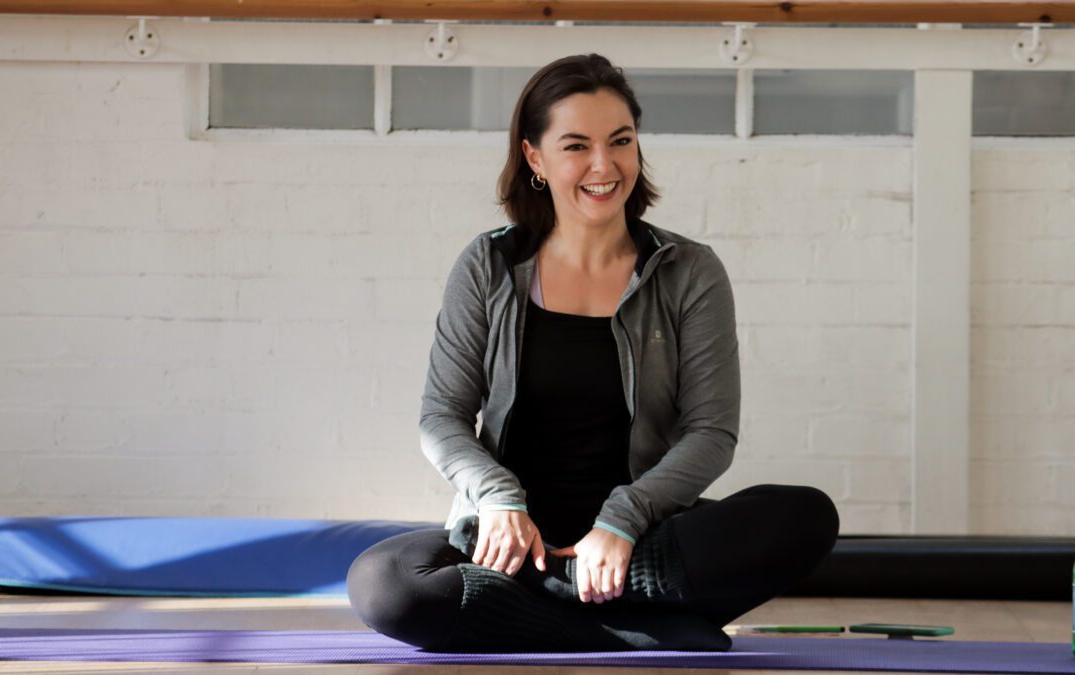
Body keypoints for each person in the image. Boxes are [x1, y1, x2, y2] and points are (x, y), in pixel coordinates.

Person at [346, 53, 839, 653]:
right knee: (384, 583)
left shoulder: (689, 271)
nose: (604, 165)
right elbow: (442, 416)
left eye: (620, 141)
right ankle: (625, 623)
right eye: (576, 145)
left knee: (805, 517)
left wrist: (621, 521)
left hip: (640, 541)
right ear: (535, 157)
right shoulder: (488, 266)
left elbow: (711, 431)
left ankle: (561, 601)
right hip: (512, 542)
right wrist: (498, 499)